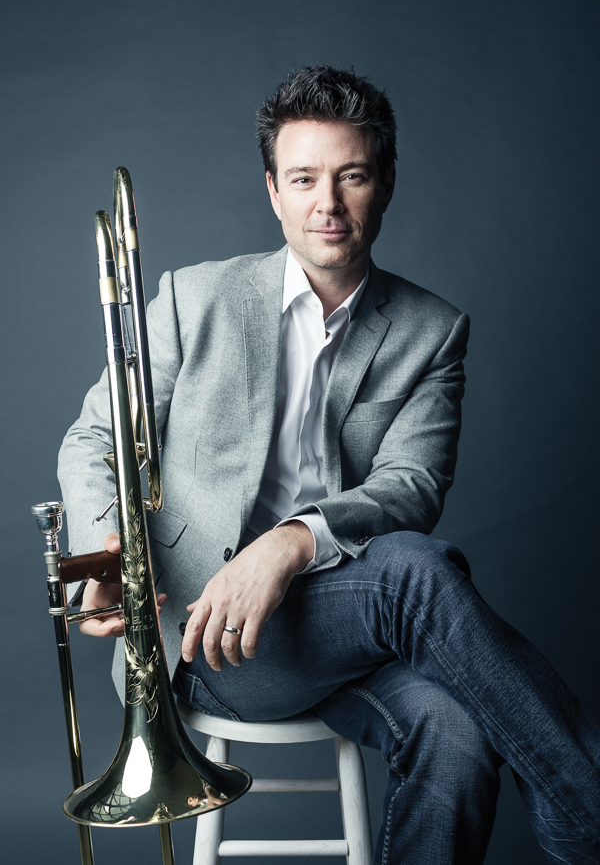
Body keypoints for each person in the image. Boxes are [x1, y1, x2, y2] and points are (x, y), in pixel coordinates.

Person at [58, 65, 600, 865]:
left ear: (386, 183)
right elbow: (94, 437)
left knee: (457, 732)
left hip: (353, 623)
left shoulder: (432, 331)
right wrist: (105, 556)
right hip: (212, 636)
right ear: (273, 191)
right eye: (304, 178)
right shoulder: (191, 299)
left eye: (352, 176)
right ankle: (587, 816)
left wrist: (291, 542)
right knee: (415, 571)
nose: (329, 204)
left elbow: (411, 486)